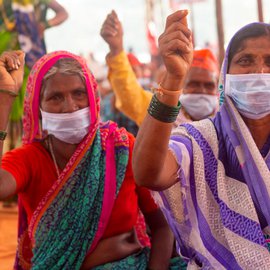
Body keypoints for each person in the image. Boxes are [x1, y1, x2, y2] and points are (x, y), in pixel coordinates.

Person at [0, 50, 180, 269]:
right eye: (55, 97)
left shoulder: (121, 148)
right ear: (38, 108)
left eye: (78, 93)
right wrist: (5, 99)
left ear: (93, 98)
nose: (70, 106)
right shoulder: (30, 158)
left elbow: (163, 226)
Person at [133, 9, 270, 269]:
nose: (260, 71)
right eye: (245, 60)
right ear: (225, 76)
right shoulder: (200, 139)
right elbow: (148, 173)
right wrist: (172, 79)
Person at [100, 10, 219, 128]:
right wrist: (116, 50)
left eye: (209, 86)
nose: (202, 91)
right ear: (181, 86)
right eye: (194, 84)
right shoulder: (160, 111)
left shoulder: (226, 118)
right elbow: (130, 96)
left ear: (217, 88)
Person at [0, 0, 68, 149]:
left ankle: (24, 148)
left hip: (30, 57)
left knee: (30, 100)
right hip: (5, 54)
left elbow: (63, 13)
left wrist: (44, 25)